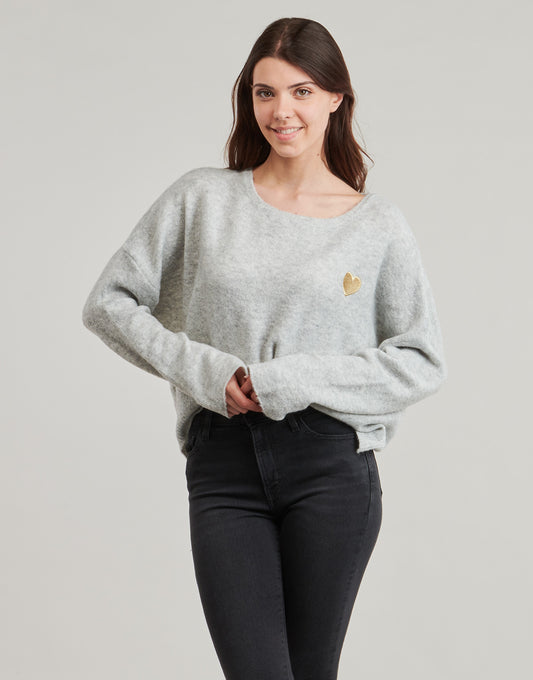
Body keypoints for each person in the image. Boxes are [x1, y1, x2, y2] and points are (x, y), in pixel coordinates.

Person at [82, 16, 447, 680]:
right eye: (265, 92)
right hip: (224, 465)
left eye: (302, 91)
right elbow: (109, 303)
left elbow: (420, 359)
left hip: (331, 468)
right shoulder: (203, 198)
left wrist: (292, 379)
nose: (282, 111)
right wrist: (207, 371)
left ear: (335, 98)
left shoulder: (377, 225)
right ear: (248, 100)